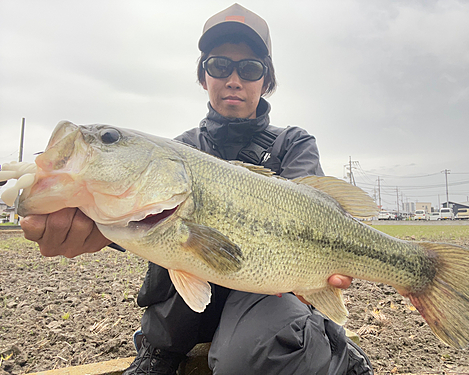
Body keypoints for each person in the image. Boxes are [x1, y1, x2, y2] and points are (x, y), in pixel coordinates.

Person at [21, 4, 373, 375]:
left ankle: (335, 351)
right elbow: (139, 215)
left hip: (269, 297)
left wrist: (324, 270)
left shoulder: (293, 144)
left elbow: (317, 213)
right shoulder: (179, 149)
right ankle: (160, 351)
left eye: (250, 68)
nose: (233, 79)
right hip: (193, 306)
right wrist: (91, 224)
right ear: (204, 77)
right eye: (219, 65)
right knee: (174, 247)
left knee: (250, 356)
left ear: (266, 81)